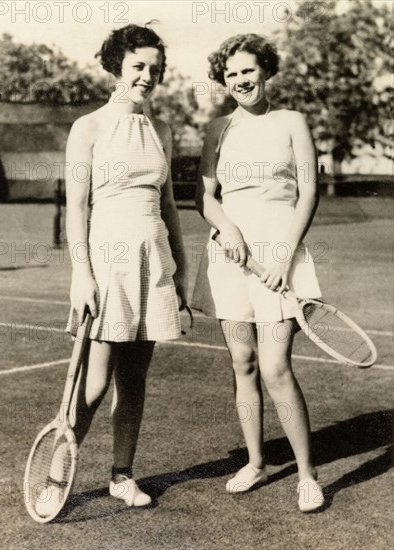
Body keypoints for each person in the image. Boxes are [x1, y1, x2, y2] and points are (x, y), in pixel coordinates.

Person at [45, 24, 188, 511]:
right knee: (96, 377)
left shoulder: (163, 130)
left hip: (154, 259)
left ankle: (121, 475)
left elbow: (169, 207)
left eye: (156, 69)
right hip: (108, 263)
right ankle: (56, 474)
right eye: (139, 67)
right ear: (115, 67)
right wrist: (81, 274)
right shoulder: (88, 127)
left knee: (135, 379)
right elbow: (78, 209)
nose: (148, 76)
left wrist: (182, 270)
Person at [192, 34, 325, 512]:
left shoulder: (292, 122)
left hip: (279, 254)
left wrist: (283, 257)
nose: (240, 81)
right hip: (229, 257)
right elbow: (204, 196)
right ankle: (255, 462)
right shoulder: (217, 130)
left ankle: (307, 476)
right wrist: (225, 226)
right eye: (231, 75)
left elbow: (308, 193)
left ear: (265, 70)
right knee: (243, 365)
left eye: (248, 71)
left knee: (274, 367)